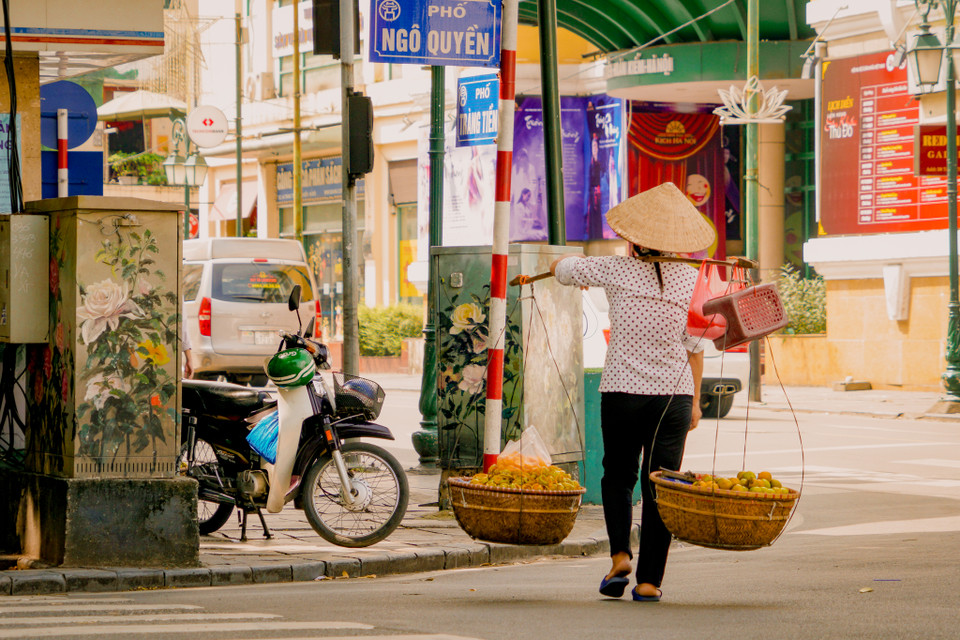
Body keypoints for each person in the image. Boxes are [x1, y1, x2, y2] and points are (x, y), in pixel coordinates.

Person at [549, 181, 715, 602]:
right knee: (662, 484)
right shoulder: (693, 280)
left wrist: (567, 267)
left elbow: (564, 269)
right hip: (673, 399)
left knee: (619, 476)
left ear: (635, 241)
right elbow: (695, 347)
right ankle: (648, 581)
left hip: (622, 394)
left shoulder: (616, 269)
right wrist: (696, 403)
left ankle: (620, 555)